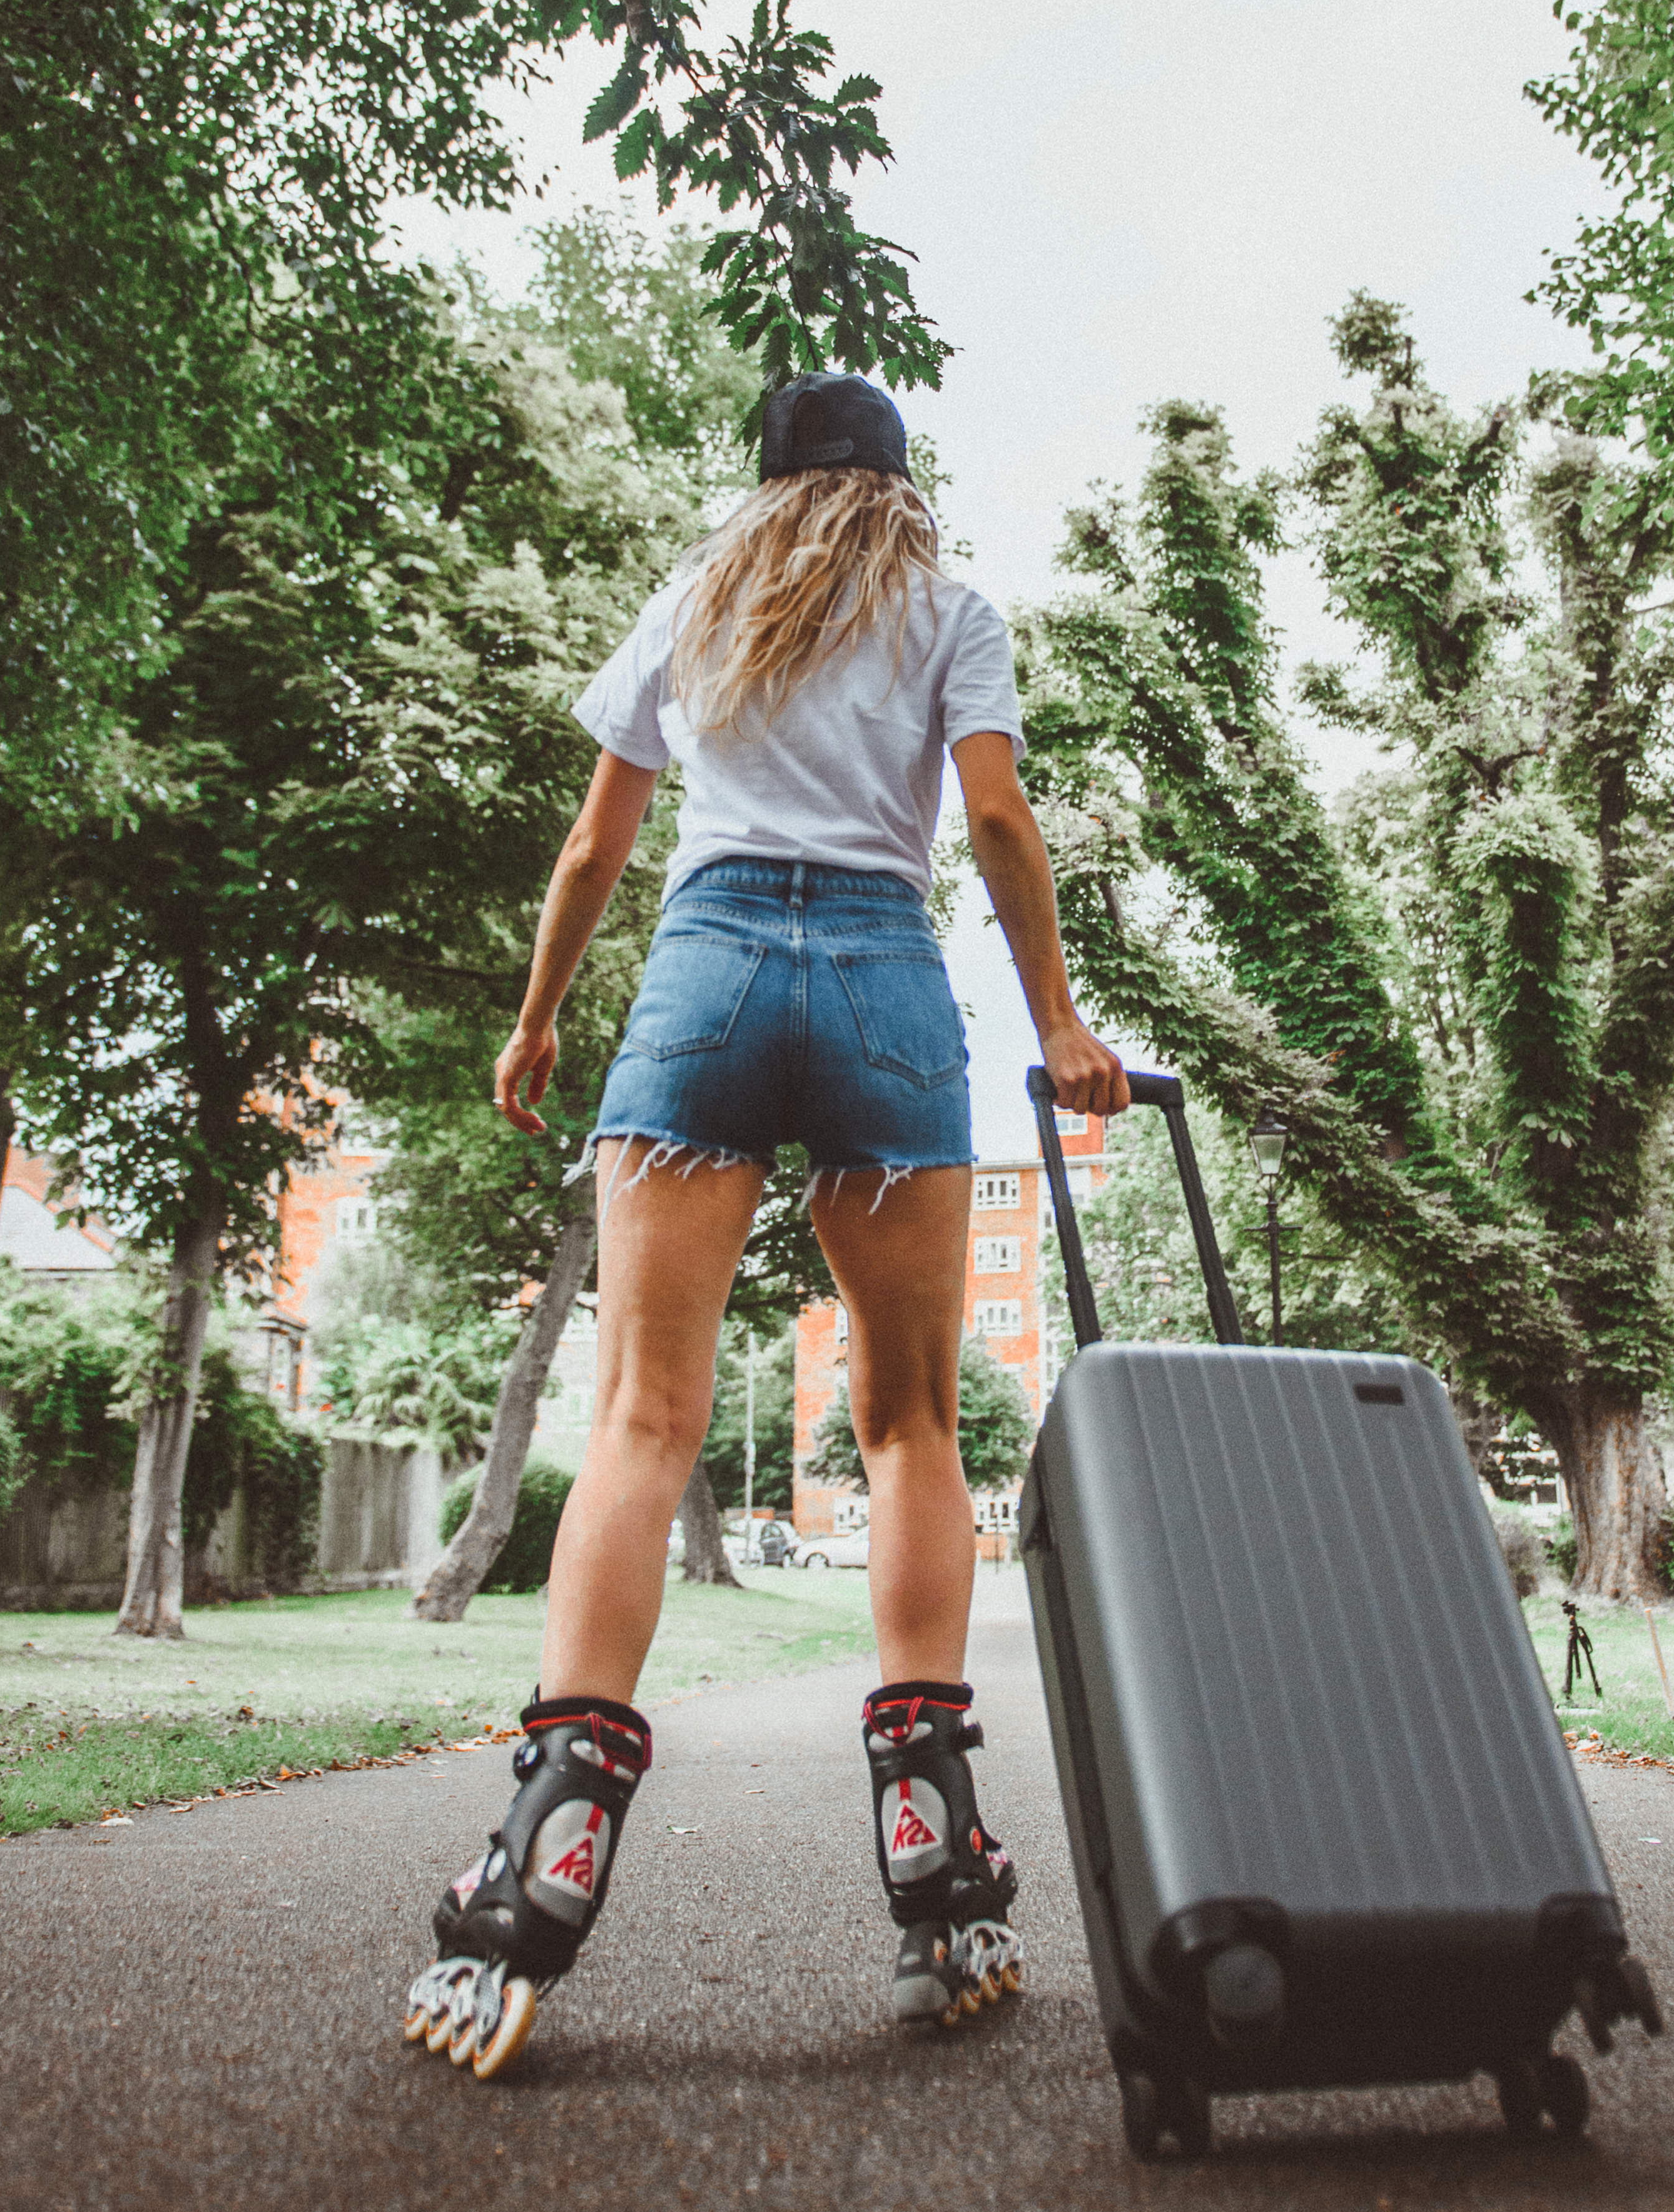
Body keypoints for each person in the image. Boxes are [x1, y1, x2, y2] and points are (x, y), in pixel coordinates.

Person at [402, 372, 1129, 2079]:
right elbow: (1003, 821)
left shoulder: (694, 600)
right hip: (884, 979)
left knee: (644, 1422)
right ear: (897, 487)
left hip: (708, 969)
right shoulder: (952, 611)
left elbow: (597, 847)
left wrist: (536, 1021)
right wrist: (1064, 1025)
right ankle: (936, 1858)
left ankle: (540, 1864)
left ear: (766, 484)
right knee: (910, 1426)